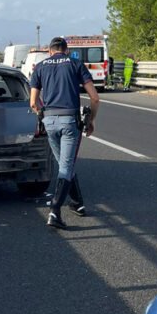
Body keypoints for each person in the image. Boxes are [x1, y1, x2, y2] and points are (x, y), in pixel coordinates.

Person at [30, 37, 100, 229]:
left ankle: (77, 203)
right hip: (70, 121)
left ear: (49, 51)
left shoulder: (40, 66)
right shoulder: (75, 64)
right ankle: (55, 211)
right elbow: (94, 97)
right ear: (66, 51)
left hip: (49, 121)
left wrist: (43, 116)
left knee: (63, 164)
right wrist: (91, 120)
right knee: (66, 166)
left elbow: (33, 103)